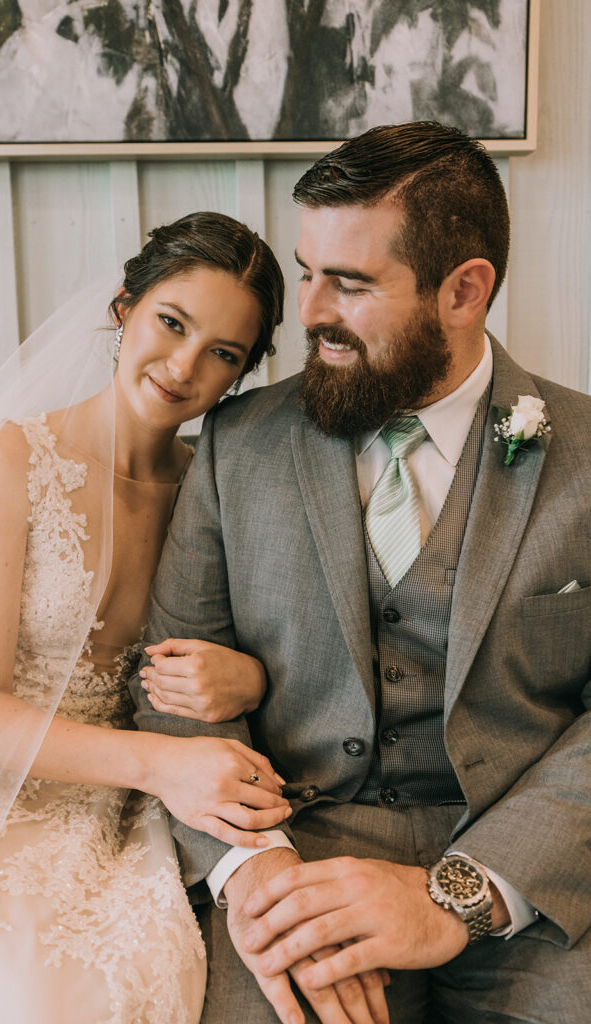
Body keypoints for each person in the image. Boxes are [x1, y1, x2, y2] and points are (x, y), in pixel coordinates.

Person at [133, 123, 591, 1024]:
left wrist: (463, 891)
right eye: (307, 272)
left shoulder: (585, 453)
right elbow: (171, 689)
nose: (306, 313)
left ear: (463, 291)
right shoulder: (238, 445)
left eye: (348, 283)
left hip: (529, 872)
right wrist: (253, 872)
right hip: (295, 857)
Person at [0, 212, 292, 1024]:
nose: (183, 365)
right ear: (124, 306)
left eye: (223, 354)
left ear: (242, 375)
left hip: (134, 800)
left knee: (158, 972)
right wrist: (159, 766)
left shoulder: (212, 490)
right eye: (171, 322)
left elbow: (272, 647)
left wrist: (250, 675)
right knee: (22, 991)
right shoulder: (11, 458)